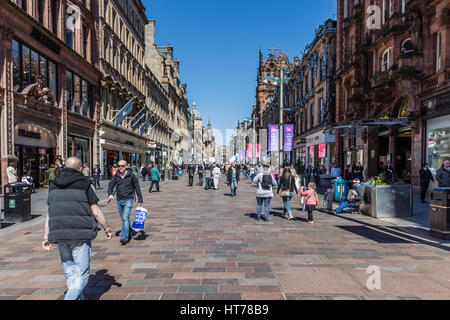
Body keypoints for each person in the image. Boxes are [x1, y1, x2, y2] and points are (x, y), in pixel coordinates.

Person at [42, 157, 113, 300]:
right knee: (82, 274)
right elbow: (96, 211)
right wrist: (107, 229)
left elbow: (50, 213)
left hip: (60, 233)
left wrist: (46, 236)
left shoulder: (53, 184)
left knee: (70, 273)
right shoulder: (85, 183)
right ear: (80, 169)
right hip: (80, 234)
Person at [108, 160, 143, 245]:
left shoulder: (131, 175)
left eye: (122, 166)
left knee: (124, 218)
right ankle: (129, 231)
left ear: (126, 166)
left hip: (128, 199)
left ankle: (124, 237)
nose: (120, 167)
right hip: (119, 200)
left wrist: (140, 199)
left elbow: (137, 187)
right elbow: (111, 184)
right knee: (125, 219)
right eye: (119, 166)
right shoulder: (116, 175)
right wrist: (109, 194)